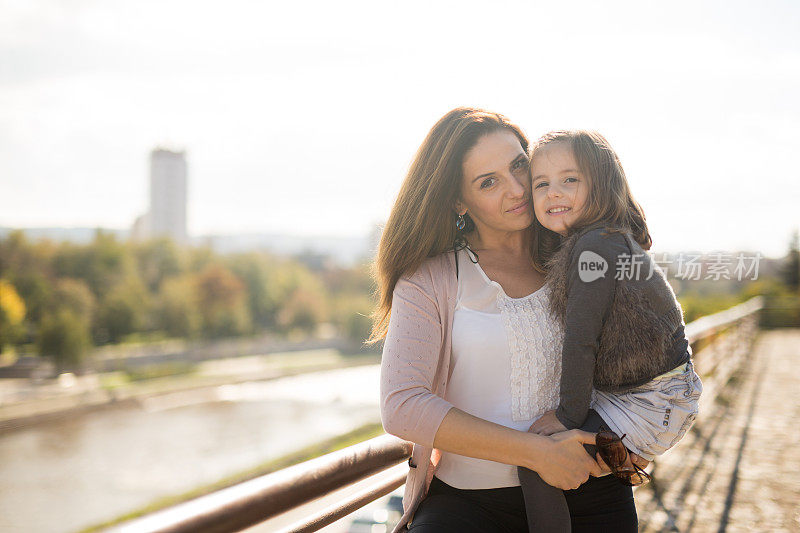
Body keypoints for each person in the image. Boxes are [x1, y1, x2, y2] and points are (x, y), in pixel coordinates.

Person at [374, 109, 635, 533]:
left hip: (591, 493)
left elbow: (646, 358)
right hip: (471, 508)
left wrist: (634, 444)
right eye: (488, 182)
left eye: (518, 165)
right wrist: (536, 453)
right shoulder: (429, 279)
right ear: (458, 201)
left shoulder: (585, 256)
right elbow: (402, 404)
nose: (516, 189)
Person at [516, 130, 703, 532]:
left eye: (570, 180)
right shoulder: (602, 240)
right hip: (661, 390)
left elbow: (582, 341)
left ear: (600, 184)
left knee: (537, 454)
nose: (553, 193)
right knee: (555, 457)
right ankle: (620, 463)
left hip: (652, 399)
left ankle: (619, 462)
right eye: (541, 184)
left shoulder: (593, 249)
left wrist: (568, 418)